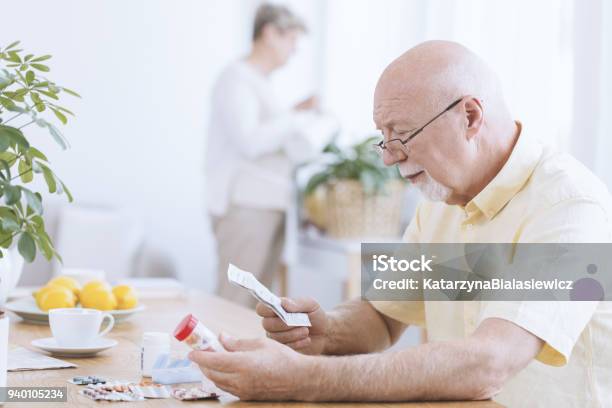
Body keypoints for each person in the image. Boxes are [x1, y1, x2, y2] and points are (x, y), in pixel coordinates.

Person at [192, 41, 612, 406]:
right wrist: (326, 331)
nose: (389, 157)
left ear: (469, 116)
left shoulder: (570, 206)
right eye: (383, 137)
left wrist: (299, 378)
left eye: (403, 134)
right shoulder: (442, 197)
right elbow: (382, 316)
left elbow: (490, 362)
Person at [206, 4, 325, 307]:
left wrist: (291, 113)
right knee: (234, 302)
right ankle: (216, 355)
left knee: (255, 304)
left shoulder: (260, 83)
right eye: (291, 40)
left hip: (267, 203)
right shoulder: (236, 78)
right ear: (270, 33)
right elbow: (249, 140)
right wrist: (295, 117)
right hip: (246, 204)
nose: (294, 50)